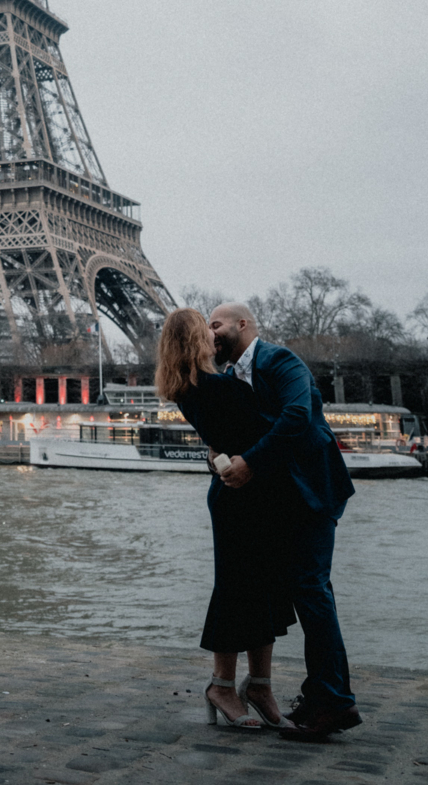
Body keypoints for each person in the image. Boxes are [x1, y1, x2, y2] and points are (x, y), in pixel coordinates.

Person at [206, 301, 361, 741]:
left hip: (311, 495)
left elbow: (298, 415)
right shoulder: (229, 379)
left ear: (243, 324)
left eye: (216, 323)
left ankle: (332, 701)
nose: (211, 332)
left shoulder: (279, 359)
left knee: (311, 590)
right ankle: (317, 696)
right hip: (282, 503)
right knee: (297, 591)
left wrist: (250, 462)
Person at [156, 308, 295, 731]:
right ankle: (225, 685)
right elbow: (267, 430)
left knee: (257, 588)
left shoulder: (190, 389)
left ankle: (256, 686)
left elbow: (224, 441)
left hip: (241, 491)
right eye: (208, 329)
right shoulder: (220, 388)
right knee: (241, 589)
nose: (215, 335)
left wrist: (218, 460)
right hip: (242, 497)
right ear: (198, 339)